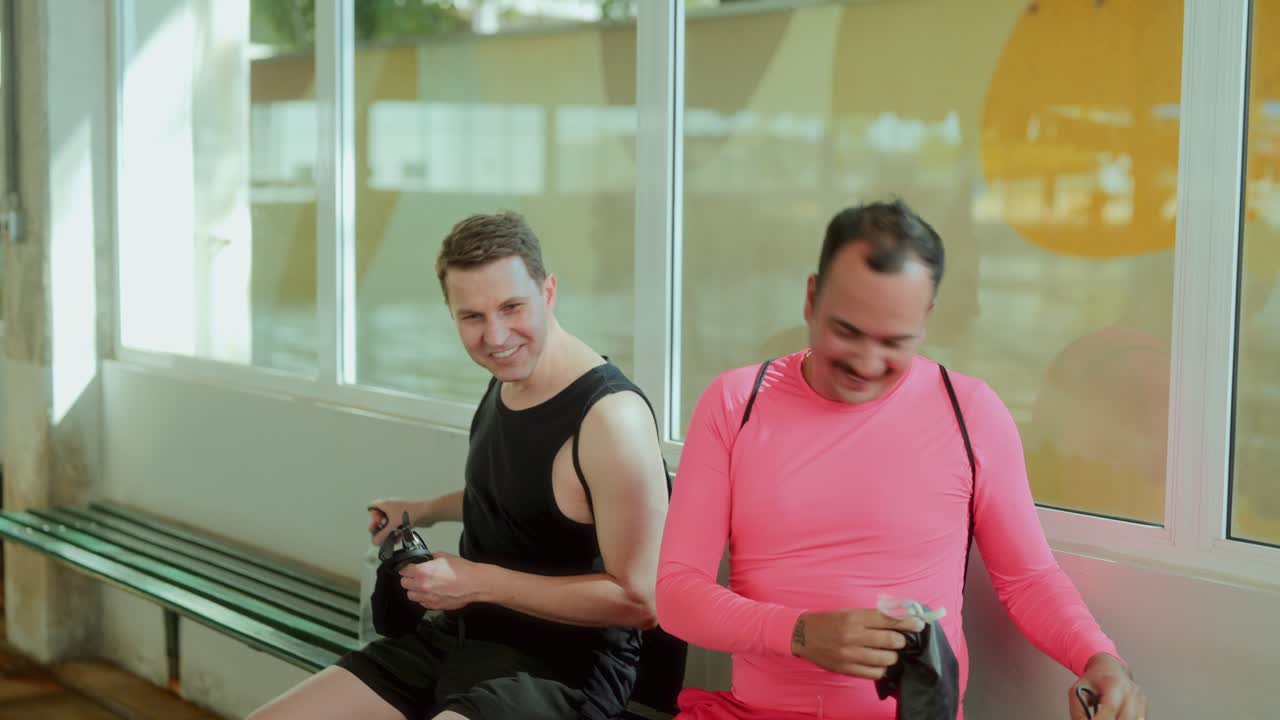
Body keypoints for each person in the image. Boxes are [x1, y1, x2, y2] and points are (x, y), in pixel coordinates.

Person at [655, 200, 1148, 720]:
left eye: (893, 342)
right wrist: (799, 633)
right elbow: (677, 594)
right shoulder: (736, 403)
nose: (867, 363)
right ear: (811, 298)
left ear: (926, 319)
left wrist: (1099, 659)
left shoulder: (971, 413)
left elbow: (1028, 580)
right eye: (847, 332)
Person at [249, 211, 670, 720]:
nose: (496, 336)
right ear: (451, 313)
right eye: (472, 317)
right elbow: (523, 498)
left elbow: (639, 601)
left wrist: (477, 582)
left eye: (511, 307)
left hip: (564, 671)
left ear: (548, 291)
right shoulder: (507, 378)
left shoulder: (611, 418)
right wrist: (425, 509)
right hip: (464, 634)